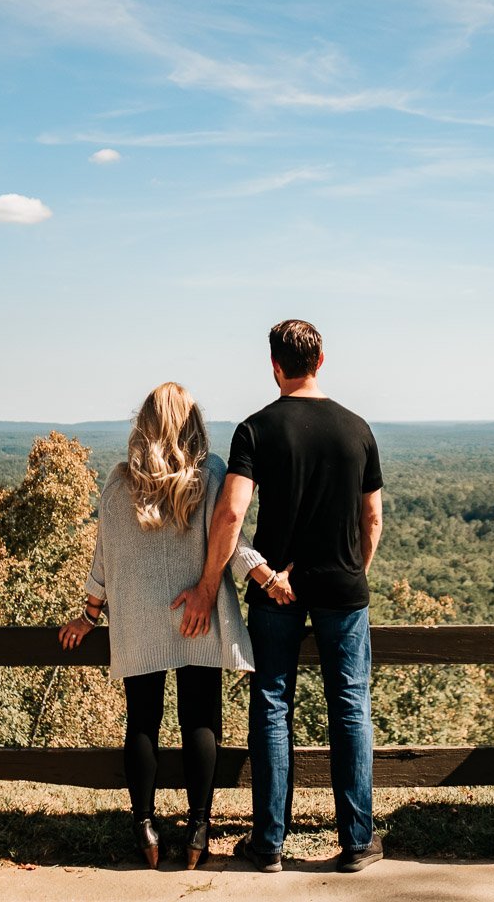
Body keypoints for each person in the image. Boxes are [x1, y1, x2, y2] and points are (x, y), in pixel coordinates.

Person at [172, 320, 385, 874]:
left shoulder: (256, 429)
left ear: (274, 366)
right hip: (342, 586)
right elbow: (372, 515)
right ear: (321, 360)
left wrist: (213, 582)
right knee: (350, 705)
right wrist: (351, 571)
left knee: (271, 703)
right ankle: (357, 843)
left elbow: (232, 512)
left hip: (277, 586)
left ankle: (268, 845)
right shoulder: (358, 429)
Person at [58, 382, 274, 870]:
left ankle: (145, 828)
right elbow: (231, 536)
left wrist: (91, 614)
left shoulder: (118, 483)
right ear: (193, 422)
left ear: (144, 425)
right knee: (200, 718)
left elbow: (104, 559)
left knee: (142, 721)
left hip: (138, 619)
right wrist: (264, 575)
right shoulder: (213, 472)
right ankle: (199, 828)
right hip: (196, 612)